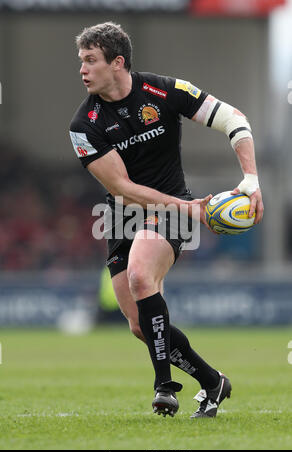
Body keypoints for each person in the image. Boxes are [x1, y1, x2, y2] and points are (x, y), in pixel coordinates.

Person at [69, 22, 264, 418]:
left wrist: (251, 180)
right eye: (81, 61)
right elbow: (122, 189)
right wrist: (189, 209)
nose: (82, 69)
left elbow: (233, 119)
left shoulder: (163, 91)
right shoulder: (83, 126)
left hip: (170, 212)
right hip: (122, 216)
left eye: (90, 60)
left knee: (142, 276)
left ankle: (164, 388)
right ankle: (213, 382)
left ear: (117, 62)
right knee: (140, 326)